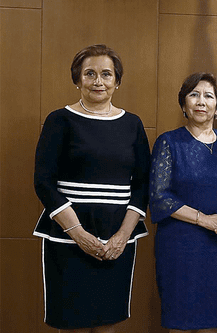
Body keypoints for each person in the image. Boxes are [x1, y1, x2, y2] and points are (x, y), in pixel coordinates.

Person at [33, 44, 151, 332]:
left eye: (106, 74)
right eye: (90, 74)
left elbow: (143, 184)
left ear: (117, 81)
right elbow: (43, 182)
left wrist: (123, 236)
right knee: (71, 323)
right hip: (68, 238)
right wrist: (78, 234)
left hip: (117, 240)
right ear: (77, 80)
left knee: (108, 322)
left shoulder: (132, 124)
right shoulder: (59, 120)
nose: (98, 81)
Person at [149, 72, 217, 332]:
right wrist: (206, 220)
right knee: (180, 321)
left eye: (208, 96)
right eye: (194, 95)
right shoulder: (169, 142)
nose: (201, 101)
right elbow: (160, 197)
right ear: (183, 105)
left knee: (212, 323)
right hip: (180, 247)